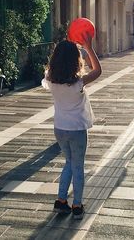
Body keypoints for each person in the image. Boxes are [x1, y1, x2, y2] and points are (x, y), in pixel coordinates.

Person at [42, 33, 102, 220]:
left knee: (69, 162)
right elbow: (98, 70)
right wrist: (89, 47)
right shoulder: (78, 82)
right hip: (76, 129)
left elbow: (50, 74)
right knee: (78, 166)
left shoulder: (50, 80)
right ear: (75, 60)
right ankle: (77, 204)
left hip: (60, 128)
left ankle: (61, 201)